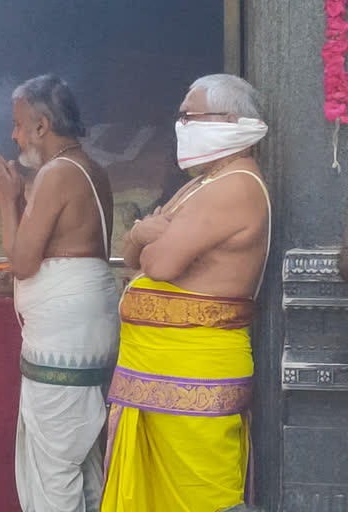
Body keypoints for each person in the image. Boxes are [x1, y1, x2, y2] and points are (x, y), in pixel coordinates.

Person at [102, 74, 271, 512]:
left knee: (203, 499)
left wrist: (147, 238)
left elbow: (159, 264)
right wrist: (143, 231)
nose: (180, 126)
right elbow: (134, 252)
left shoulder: (238, 185)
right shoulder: (201, 184)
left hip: (193, 375)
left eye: (188, 116)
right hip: (154, 374)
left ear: (231, 121)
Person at [0, 74, 120, 512]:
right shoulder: (90, 169)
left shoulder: (56, 172)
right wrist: (20, 200)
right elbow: (50, 244)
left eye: (19, 124)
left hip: (64, 344)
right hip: (88, 334)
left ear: (43, 127)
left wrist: (6, 199)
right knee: (81, 460)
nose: (14, 134)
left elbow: (23, 262)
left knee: (55, 466)